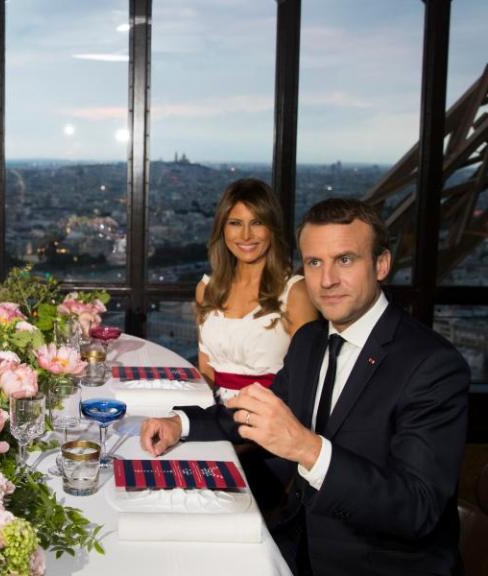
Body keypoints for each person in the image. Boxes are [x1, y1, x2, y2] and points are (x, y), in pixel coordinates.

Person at [141, 199, 469, 575]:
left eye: (345, 260)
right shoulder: (311, 339)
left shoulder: (432, 366)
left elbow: (417, 509)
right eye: (314, 262)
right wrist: (180, 425)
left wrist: (306, 448)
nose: (327, 280)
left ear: (381, 265)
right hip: (299, 544)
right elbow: (264, 413)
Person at [196, 178, 318, 401]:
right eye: (235, 223)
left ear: (272, 228)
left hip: (270, 418)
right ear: (222, 228)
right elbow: (206, 371)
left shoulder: (296, 293)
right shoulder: (207, 289)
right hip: (213, 418)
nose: (245, 236)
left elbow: (305, 382)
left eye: (257, 223)